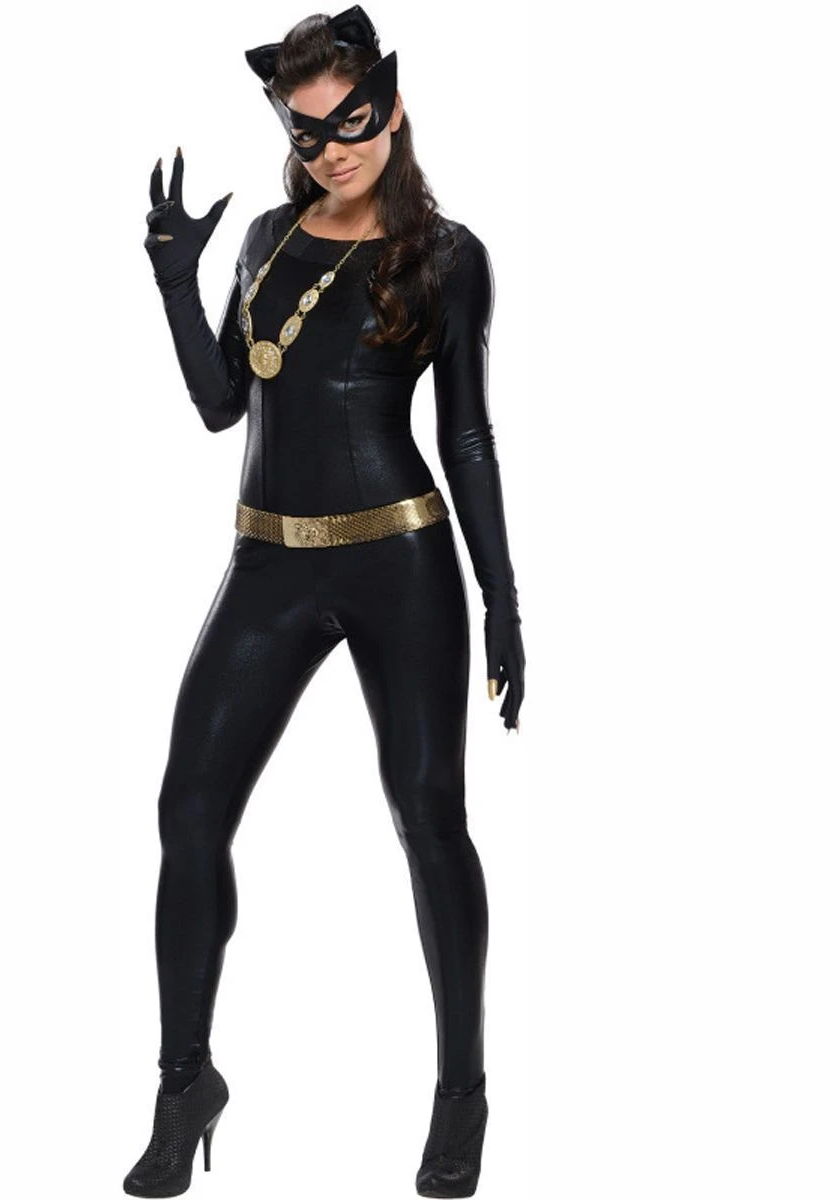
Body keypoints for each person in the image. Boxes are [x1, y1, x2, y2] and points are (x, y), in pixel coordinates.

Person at [124, 7, 525, 1197]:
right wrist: (173, 280)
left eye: (351, 123)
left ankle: (462, 1095)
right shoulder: (266, 236)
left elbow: (467, 435)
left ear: (392, 108)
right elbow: (221, 406)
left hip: (400, 559)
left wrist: (502, 598)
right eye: (308, 133)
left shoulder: (447, 254)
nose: (333, 150)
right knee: (189, 812)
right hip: (268, 563)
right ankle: (184, 1083)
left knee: (428, 814)